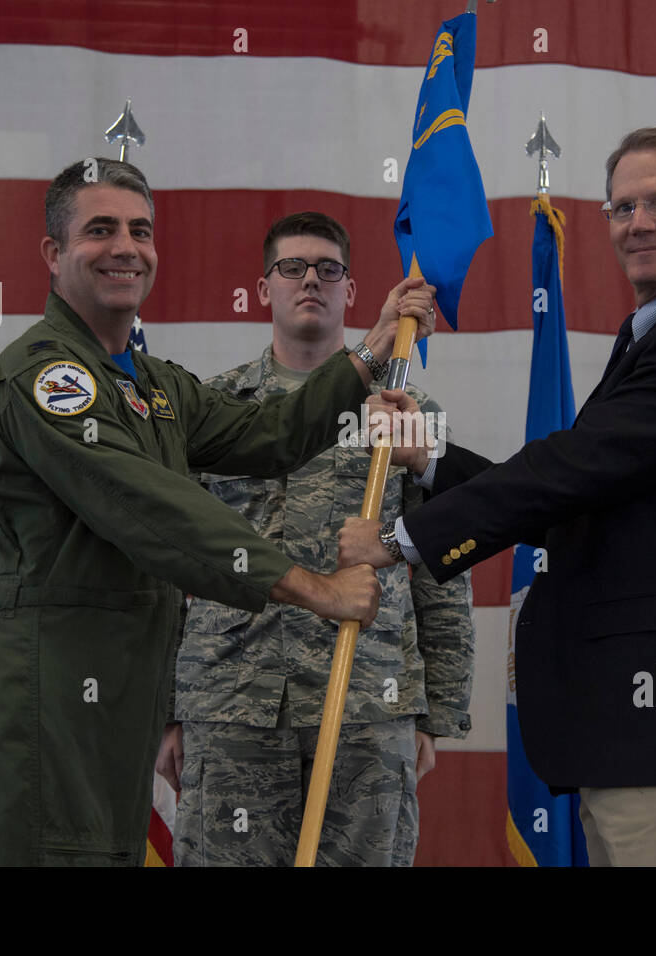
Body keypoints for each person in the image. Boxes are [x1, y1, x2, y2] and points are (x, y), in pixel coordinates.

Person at [340, 128, 656, 866]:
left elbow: (570, 471)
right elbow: (585, 499)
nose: (639, 222)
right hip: (638, 738)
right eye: (621, 208)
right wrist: (431, 460)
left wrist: (401, 542)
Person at [0, 159, 435, 866]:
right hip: (51, 694)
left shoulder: (151, 386)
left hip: (124, 693)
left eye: (140, 230)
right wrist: (316, 588)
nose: (126, 246)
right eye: (100, 230)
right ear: (54, 255)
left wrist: (370, 346)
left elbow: (267, 435)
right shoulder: (46, 378)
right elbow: (156, 508)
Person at [154, 212, 475, 867]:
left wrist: (434, 711)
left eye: (328, 270)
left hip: (365, 699)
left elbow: (443, 561)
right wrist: (167, 707)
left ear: (351, 292)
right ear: (263, 286)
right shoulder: (213, 410)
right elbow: (169, 561)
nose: (310, 281)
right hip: (229, 700)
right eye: (292, 268)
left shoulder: (409, 414)